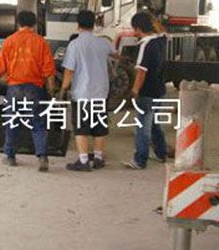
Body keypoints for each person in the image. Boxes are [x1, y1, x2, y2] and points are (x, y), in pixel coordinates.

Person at [0, 10, 56, 171]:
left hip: (15, 88)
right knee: (38, 122)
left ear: (17, 23)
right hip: (35, 88)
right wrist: (51, 89)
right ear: (35, 24)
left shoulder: (10, 41)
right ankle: (42, 156)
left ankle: (10, 156)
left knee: (12, 121)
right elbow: (49, 69)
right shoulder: (41, 42)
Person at [60, 10, 116, 172]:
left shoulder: (75, 45)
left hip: (82, 93)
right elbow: (116, 54)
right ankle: (98, 158)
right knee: (99, 126)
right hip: (101, 92)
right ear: (94, 24)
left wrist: (63, 89)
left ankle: (83, 160)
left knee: (81, 127)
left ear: (77, 25)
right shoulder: (103, 43)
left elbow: (69, 71)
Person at [123, 12, 168, 169]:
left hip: (147, 92)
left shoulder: (145, 45)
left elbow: (142, 72)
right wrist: (152, 19)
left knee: (142, 127)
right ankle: (161, 153)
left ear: (138, 28)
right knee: (154, 123)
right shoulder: (160, 40)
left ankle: (140, 160)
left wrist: (134, 91)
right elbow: (163, 31)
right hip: (160, 90)